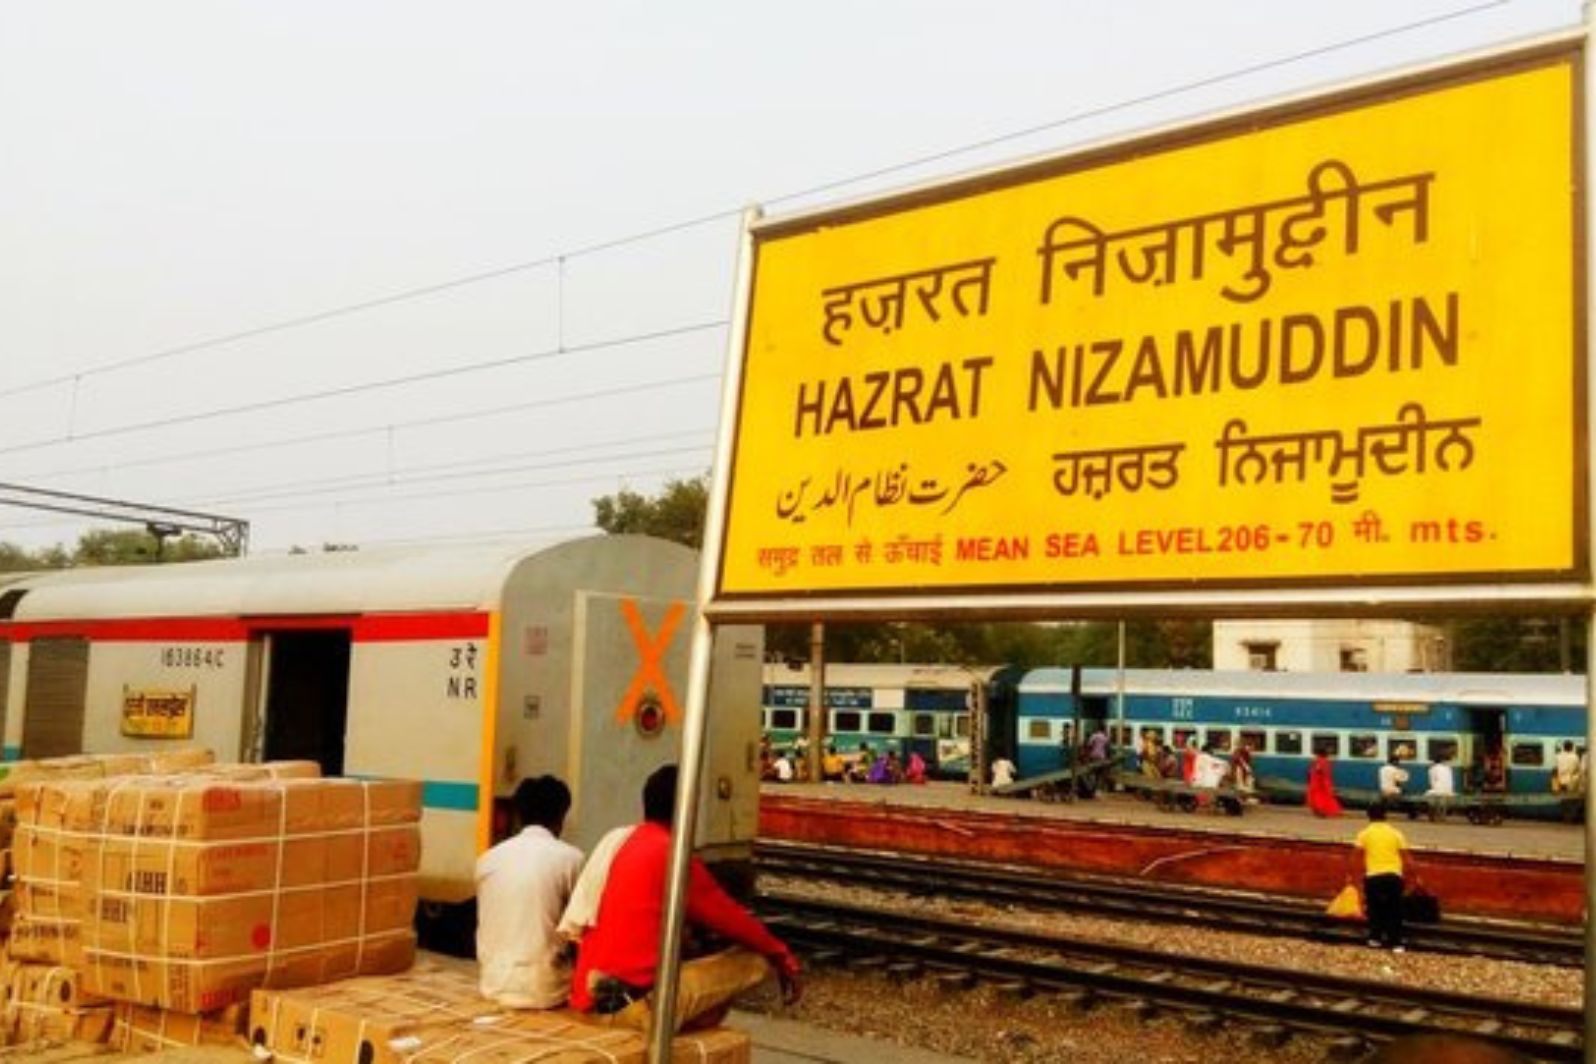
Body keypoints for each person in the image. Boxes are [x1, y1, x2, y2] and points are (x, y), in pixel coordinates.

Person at [571, 765, 801, 1030]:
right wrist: (782, 955)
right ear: (687, 809)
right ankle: (674, 1028)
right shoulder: (673, 854)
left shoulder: (623, 841)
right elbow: (732, 919)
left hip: (588, 999)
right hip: (629, 1009)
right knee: (754, 960)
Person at [476, 775, 585, 1009]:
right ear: (560, 818)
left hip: (492, 984)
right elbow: (579, 927)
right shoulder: (571, 858)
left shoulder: (487, 859)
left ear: (519, 816)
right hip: (547, 991)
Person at [1348, 801, 1418, 951]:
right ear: (1385, 815)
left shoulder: (1364, 834)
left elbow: (1354, 858)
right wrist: (1415, 878)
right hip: (1394, 877)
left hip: (1373, 877)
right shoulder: (1396, 833)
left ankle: (1375, 938)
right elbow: (1407, 859)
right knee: (1395, 910)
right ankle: (1397, 943)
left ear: (1369, 816)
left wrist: (1355, 880)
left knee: (1375, 909)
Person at [1307, 748, 1343, 818]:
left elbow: (1311, 772)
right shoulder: (1323, 762)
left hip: (1316, 782)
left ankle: (1319, 811)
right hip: (1321, 782)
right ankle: (1323, 811)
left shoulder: (1317, 761)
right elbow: (1324, 772)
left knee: (1316, 797)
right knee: (1324, 797)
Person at [1425, 752, 1455, 821]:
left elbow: (1431, 782)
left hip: (1438, 790)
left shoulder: (1432, 769)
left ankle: (1435, 814)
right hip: (1449, 791)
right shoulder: (1448, 768)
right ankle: (1443, 815)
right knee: (1442, 798)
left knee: (1429, 796)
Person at [1379, 752, 1411, 817]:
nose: (1398, 763)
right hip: (1393, 790)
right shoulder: (1395, 770)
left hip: (1383, 789)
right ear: (1394, 761)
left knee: (1385, 800)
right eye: (1397, 761)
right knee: (1404, 795)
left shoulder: (1382, 769)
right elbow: (1399, 781)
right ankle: (1411, 812)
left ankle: (1382, 812)